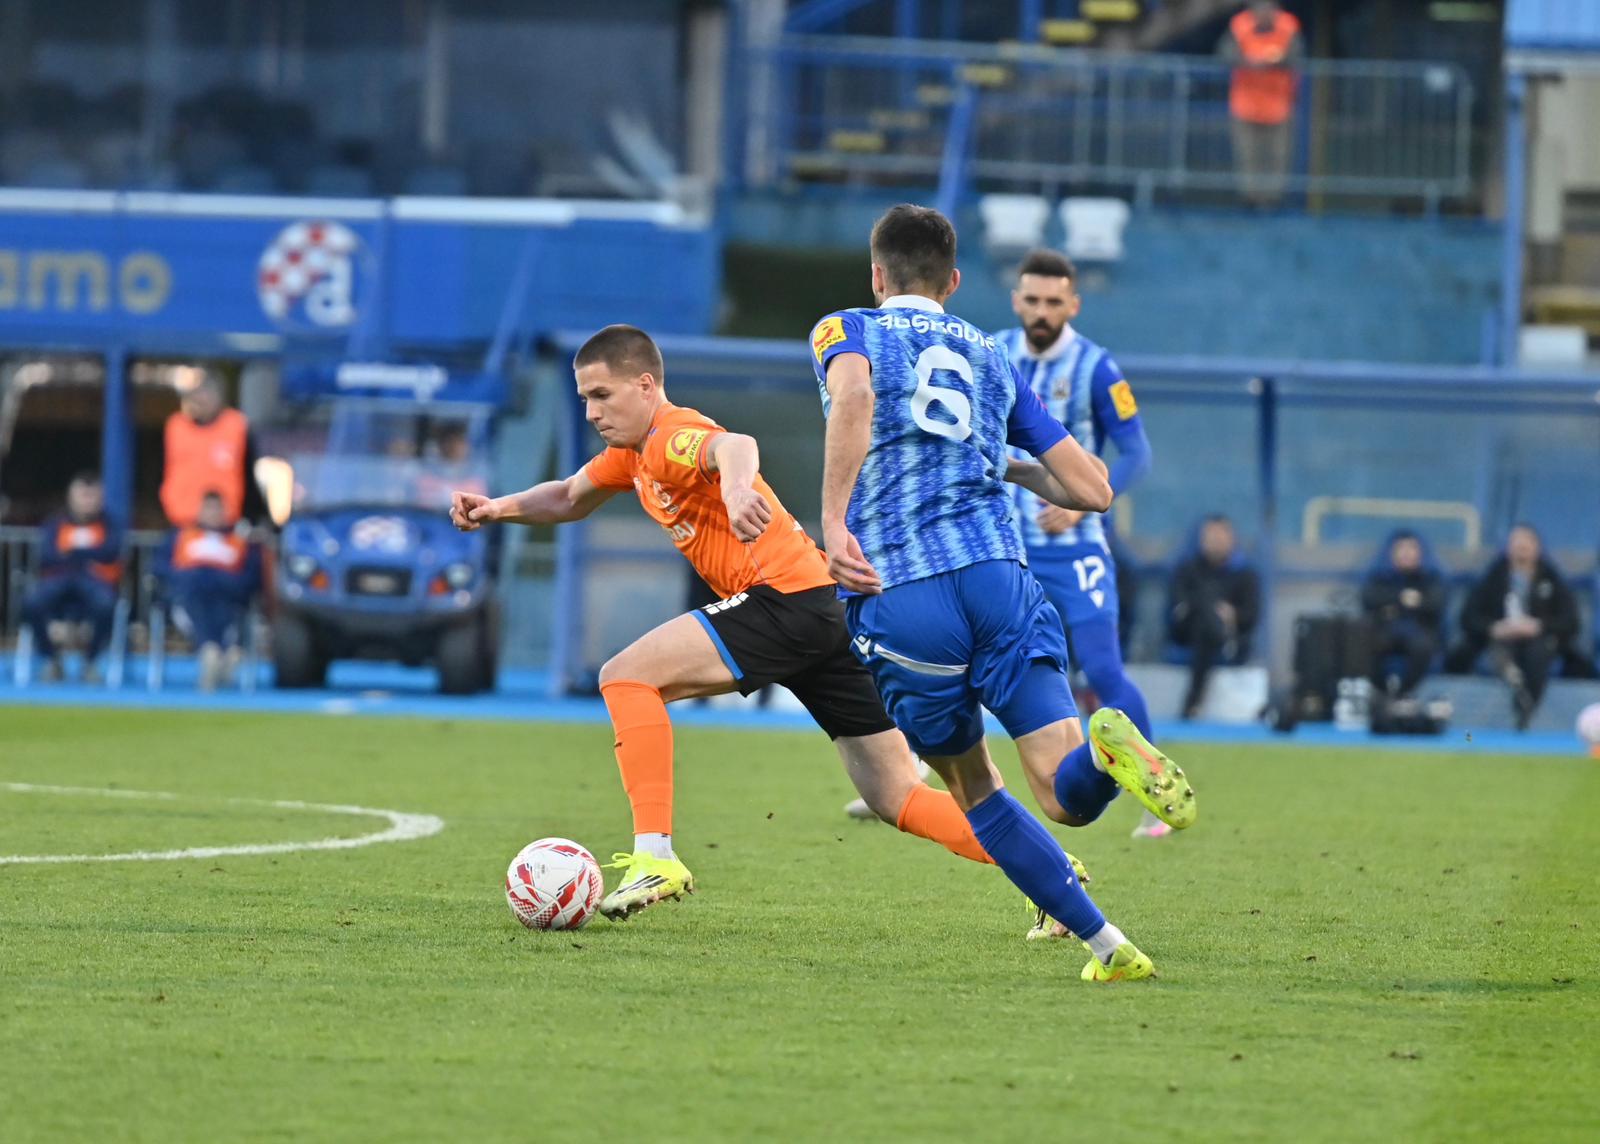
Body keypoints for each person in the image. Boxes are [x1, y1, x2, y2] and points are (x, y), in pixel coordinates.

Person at [450, 324, 1088, 924]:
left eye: (601, 395)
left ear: (645, 385)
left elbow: (735, 446)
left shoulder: (670, 436)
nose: (592, 411)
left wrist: (735, 488)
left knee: (626, 677)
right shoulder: (630, 455)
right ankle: (1053, 872)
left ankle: (654, 858)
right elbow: (568, 495)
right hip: (824, 609)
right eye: (585, 398)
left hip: (784, 599)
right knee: (896, 795)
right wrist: (496, 508)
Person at [813, 204, 1196, 983]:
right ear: (953, 282)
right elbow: (1094, 489)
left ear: (877, 276)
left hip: (903, 589)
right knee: (1063, 793)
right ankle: (1105, 762)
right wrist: (1011, 465)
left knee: (975, 785)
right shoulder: (992, 356)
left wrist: (831, 520)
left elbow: (854, 398)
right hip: (1000, 579)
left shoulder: (845, 328)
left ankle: (1108, 944)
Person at [996, 248, 1169, 841]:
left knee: (1102, 667)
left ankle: (1152, 791)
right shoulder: (992, 353)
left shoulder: (1097, 367)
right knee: (959, 653)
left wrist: (1081, 503)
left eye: (1054, 301)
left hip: (1077, 548)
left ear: (1073, 304)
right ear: (1016, 300)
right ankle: (907, 771)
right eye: (1032, 299)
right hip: (1006, 546)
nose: (1041, 311)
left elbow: (1137, 452)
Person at [1445, 524, 1596, 730]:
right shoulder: (1493, 577)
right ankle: (1512, 679)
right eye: (1517, 542)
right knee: (1495, 650)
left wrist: (1539, 626)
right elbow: (1469, 617)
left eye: (1528, 542)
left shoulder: (1551, 578)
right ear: (1507, 547)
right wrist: (1494, 627)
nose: (1522, 547)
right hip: (1500, 638)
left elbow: (1570, 621)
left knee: (1539, 652)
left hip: (1540, 640)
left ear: (1538, 547)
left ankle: (1525, 704)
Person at [21, 472, 122, 683]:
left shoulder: (109, 525)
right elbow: (46, 556)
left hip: (94, 582)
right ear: (71, 497)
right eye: (83, 495)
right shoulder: (55, 524)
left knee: (106, 605)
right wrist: (87, 554)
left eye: (91, 496)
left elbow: (111, 552)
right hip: (59, 580)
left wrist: (73, 552)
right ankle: (50, 659)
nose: (87, 501)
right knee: (32, 603)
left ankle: (91, 661)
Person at [159, 491, 263, 691]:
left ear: (226, 512)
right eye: (209, 508)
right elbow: (160, 568)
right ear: (200, 510)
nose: (213, 514)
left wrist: (221, 579)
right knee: (196, 594)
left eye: (218, 509)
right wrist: (191, 576)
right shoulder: (180, 536)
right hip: (189, 594)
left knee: (223, 601)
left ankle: (212, 653)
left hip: (227, 597)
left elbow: (252, 577)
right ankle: (215, 651)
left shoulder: (240, 541)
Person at [1168, 514, 1260, 719]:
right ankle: (1194, 702)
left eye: (1220, 536)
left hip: (1230, 635)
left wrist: (1231, 615)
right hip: (1188, 631)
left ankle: (1192, 703)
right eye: (1210, 536)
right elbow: (1179, 608)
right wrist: (1208, 608)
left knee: (1207, 627)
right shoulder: (1188, 569)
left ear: (1231, 539)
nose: (1215, 542)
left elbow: (1251, 616)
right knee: (1205, 617)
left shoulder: (1245, 575)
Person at [1217, 1, 1303, 209]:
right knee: (1248, 155)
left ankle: (1272, 199)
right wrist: (1248, 62)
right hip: (1245, 105)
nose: (1264, 12)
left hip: (1279, 105)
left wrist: (1275, 63)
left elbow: (1297, 56)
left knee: (1277, 155)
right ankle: (1251, 198)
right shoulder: (1240, 25)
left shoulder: (1288, 26)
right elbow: (1225, 54)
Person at [159, 375, 271, 528]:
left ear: (219, 397)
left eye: (208, 394)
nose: (202, 400)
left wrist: (255, 517)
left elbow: (248, 474)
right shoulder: (176, 427)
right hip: (183, 522)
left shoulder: (235, 426)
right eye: (198, 395)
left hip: (227, 523)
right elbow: (163, 471)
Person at [1360, 530, 1446, 699]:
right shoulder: (1379, 577)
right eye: (1401, 548)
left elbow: (1435, 604)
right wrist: (1404, 598)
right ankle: (1381, 693)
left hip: (1420, 631)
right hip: (1385, 630)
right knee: (1366, 644)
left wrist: (1392, 606)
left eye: (1411, 548)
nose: (1406, 553)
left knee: (1422, 647)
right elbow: (1370, 599)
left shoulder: (1431, 577)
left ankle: (1404, 693)